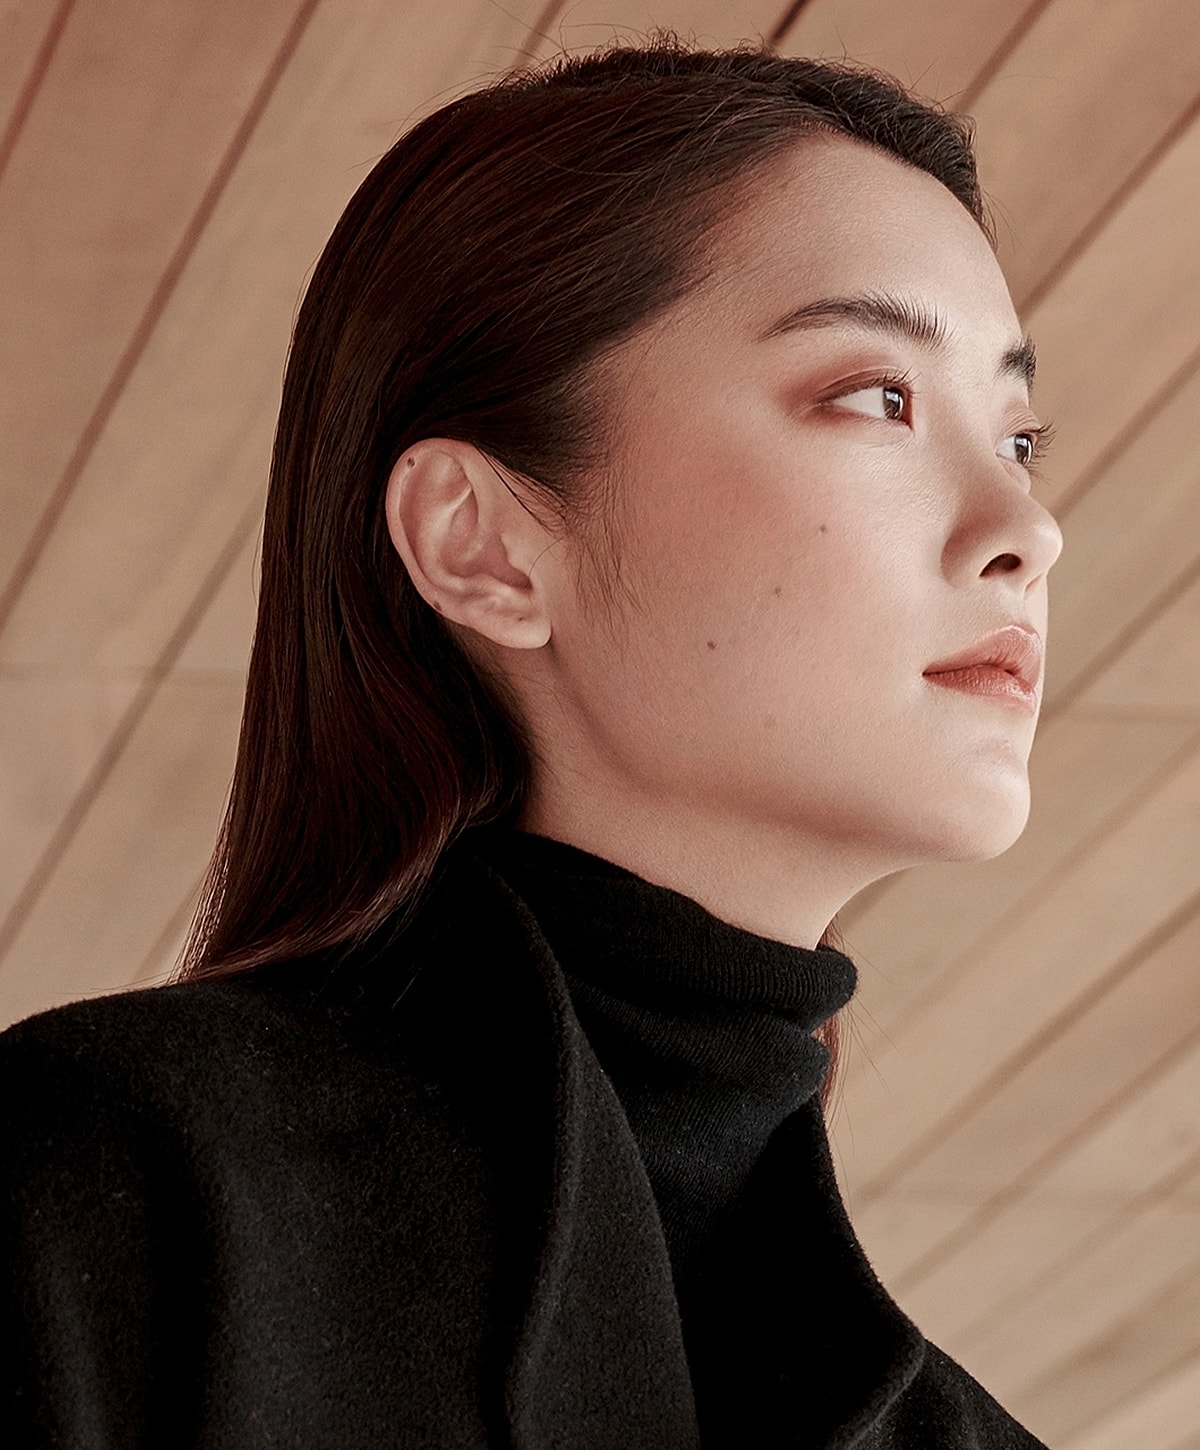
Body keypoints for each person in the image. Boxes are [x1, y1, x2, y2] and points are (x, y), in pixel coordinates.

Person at [0, 36, 1063, 1449]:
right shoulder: (102, 1185)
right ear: (482, 544)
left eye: (1022, 437)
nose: (1027, 532)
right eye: (877, 395)